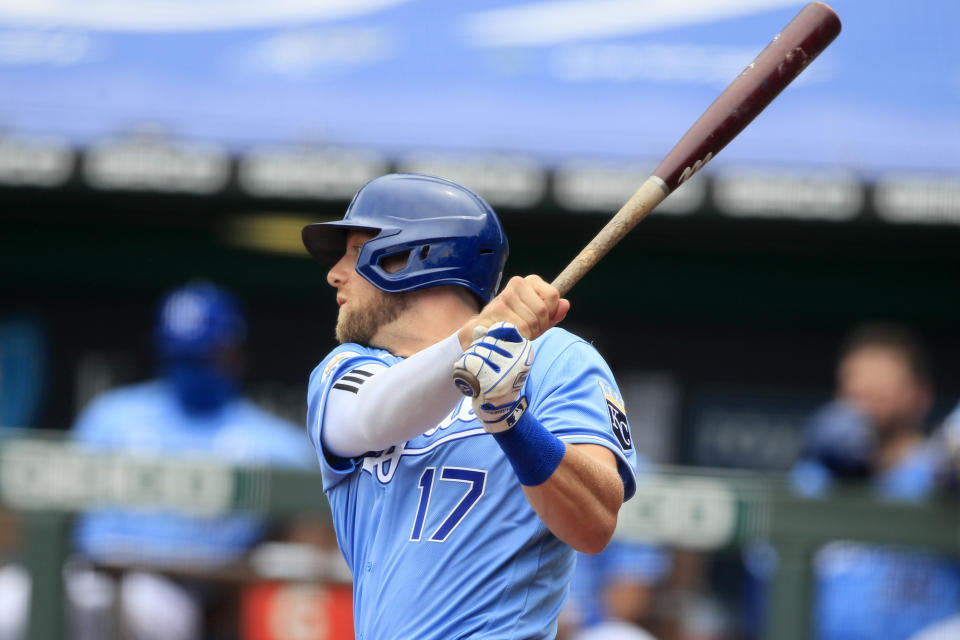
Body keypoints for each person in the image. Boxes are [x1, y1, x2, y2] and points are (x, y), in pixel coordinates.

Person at [302, 173, 638, 640]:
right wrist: (469, 343)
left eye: (355, 251)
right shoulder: (346, 368)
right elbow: (365, 418)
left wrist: (511, 422)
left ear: (408, 258)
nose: (334, 273)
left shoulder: (556, 357)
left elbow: (594, 523)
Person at [62, 281, 316, 640]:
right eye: (179, 356)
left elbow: (310, 536)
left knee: (135, 607)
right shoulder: (111, 414)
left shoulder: (277, 444)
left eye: (201, 356)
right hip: (85, 572)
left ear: (234, 353)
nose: (189, 368)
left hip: (175, 594)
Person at [782, 323, 960, 640]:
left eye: (880, 393)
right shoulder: (812, 479)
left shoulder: (943, 471)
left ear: (920, 395)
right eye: (855, 392)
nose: (864, 405)